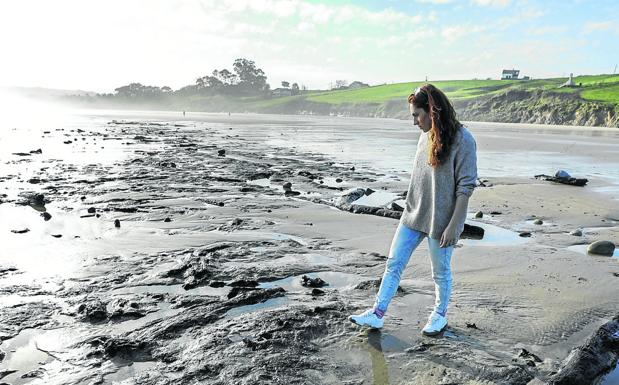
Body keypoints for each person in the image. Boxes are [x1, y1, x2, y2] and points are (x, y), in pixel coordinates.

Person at [349, 84, 477, 336]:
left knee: (440, 272)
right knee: (394, 263)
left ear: (432, 111)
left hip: (442, 221)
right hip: (413, 214)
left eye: (416, 115)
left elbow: (466, 187)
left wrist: (455, 225)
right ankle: (377, 313)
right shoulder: (425, 135)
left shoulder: (464, 140)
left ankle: (439, 315)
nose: (414, 122)